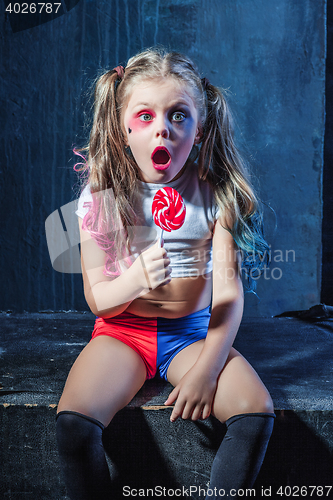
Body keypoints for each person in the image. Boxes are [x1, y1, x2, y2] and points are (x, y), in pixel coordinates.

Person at [56, 47, 275, 500]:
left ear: (199, 130)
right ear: (123, 128)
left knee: (255, 411)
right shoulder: (100, 199)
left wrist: (207, 370)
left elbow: (229, 297)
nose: (163, 128)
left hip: (192, 336)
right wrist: (136, 278)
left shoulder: (216, 198)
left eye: (179, 116)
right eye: (145, 115)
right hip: (122, 333)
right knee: (75, 425)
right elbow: (98, 299)